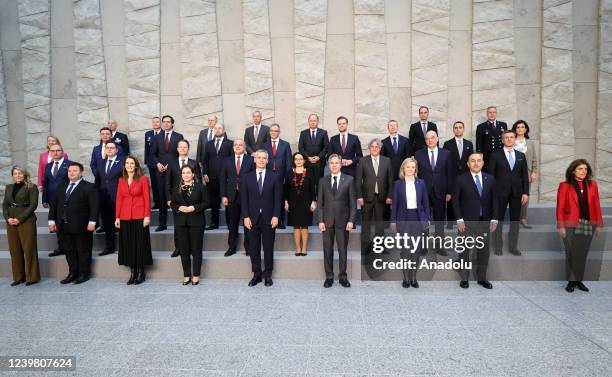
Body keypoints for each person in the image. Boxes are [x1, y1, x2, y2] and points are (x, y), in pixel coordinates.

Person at [556, 159, 604, 293]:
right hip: (570, 224)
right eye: (580, 169)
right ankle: (571, 282)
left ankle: (579, 281)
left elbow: (596, 205)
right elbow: (559, 207)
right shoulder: (564, 186)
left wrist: (599, 224)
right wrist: (561, 226)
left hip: (589, 223)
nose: (583, 171)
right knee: (571, 253)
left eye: (585, 169)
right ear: (573, 171)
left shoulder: (592, 185)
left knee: (582, 254)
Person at [453, 153, 498, 289]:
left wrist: (494, 219)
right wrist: (459, 219)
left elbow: (495, 200)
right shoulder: (460, 179)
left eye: (479, 160)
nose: (476, 163)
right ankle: (465, 278)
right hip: (465, 222)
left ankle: (482, 278)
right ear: (468, 164)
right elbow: (455, 202)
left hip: (484, 222)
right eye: (473, 161)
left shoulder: (490, 179)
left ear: (483, 163)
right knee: (464, 250)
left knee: (484, 251)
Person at [48, 162, 98, 285]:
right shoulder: (61, 186)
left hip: (82, 225)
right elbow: (54, 205)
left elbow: (94, 206)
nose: (72, 173)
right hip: (63, 225)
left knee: (83, 250)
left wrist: (92, 221)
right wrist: (51, 220)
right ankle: (73, 273)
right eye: (70, 171)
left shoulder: (89, 187)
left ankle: (83, 273)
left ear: (81, 173)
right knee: (69, 251)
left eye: (75, 171)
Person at [241, 149, 281, 287]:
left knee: (268, 248)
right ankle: (256, 274)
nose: (261, 160)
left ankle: (268, 275)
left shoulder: (274, 176)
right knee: (253, 248)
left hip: (269, 218)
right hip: (251, 219)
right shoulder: (247, 177)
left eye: (264, 158)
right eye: (259, 157)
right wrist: (245, 216)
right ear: (254, 159)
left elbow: (277, 199)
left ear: (267, 160)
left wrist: (276, 215)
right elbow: (244, 199)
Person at [487, 130, 529, 256]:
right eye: (506, 137)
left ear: (515, 139)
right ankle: (498, 247)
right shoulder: (495, 155)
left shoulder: (521, 156)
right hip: (499, 193)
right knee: (497, 219)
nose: (509, 139)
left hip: (517, 192)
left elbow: (524, 176)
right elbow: (490, 176)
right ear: (502, 140)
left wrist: (525, 193)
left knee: (515, 220)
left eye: (511, 137)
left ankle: (513, 247)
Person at [390, 158, 430, 288]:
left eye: (413, 167)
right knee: (406, 250)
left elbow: (426, 203)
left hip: (418, 219)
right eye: (408, 167)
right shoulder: (398, 184)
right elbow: (394, 205)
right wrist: (393, 221)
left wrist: (427, 219)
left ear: (415, 169)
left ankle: (414, 277)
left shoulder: (421, 183)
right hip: (403, 219)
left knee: (416, 250)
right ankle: (406, 278)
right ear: (403, 168)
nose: (410, 169)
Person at [318, 154, 357, 288]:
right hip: (327, 221)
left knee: (342, 250)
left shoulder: (349, 180)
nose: (334, 165)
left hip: (343, 221)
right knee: (327, 250)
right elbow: (320, 203)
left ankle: (342, 276)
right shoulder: (323, 181)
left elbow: (353, 203)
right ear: (329, 165)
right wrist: (320, 220)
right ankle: (329, 276)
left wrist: (351, 220)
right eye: (332, 163)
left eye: (337, 163)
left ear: (341, 165)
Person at [414, 130, 454, 256]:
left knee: (439, 220)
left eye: (432, 137)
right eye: (427, 138)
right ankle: (423, 246)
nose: (430, 140)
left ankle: (439, 246)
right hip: (423, 192)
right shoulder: (418, 154)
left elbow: (450, 173)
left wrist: (449, 191)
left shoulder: (446, 154)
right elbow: (416, 174)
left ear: (437, 139)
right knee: (423, 219)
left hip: (440, 191)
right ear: (425, 140)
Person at [115, 156, 153, 285]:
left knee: (140, 243)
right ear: (124, 165)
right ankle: (133, 272)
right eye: (127, 163)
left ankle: (141, 271)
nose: (129, 165)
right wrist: (117, 217)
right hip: (125, 216)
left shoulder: (143, 179)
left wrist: (147, 216)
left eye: (132, 163)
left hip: (139, 215)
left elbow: (147, 198)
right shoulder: (121, 180)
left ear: (136, 166)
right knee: (128, 244)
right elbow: (119, 199)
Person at [170, 165, 210, 285]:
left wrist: (194, 208)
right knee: (184, 250)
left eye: (188, 173)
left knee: (196, 249)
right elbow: (173, 203)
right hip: (181, 222)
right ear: (181, 175)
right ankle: (187, 274)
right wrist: (179, 207)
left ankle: (196, 275)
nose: (186, 175)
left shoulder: (200, 187)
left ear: (193, 174)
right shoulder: (177, 188)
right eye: (183, 173)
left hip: (197, 222)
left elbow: (207, 203)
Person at [3, 166, 40, 286]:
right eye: (15, 173)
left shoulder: (31, 187)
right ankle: (18, 277)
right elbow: (4, 205)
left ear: (25, 174)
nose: (18, 175)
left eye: (20, 173)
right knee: (14, 249)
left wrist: (19, 219)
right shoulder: (9, 187)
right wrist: (7, 218)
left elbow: (33, 205)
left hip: (26, 220)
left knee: (29, 248)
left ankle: (31, 277)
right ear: (12, 175)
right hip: (11, 221)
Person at [356, 139, 393, 255]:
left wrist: (389, 196)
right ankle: (365, 247)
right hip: (366, 198)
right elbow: (358, 181)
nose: (375, 148)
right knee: (366, 224)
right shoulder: (363, 161)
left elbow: (390, 180)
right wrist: (359, 196)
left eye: (377, 146)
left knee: (380, 224)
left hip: (381, 198)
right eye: (372, 146)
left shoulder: (387, 161)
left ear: (380, 148)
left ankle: (380, 246)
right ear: (369, 148)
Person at [165, 139, 201, 258]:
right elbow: (168, 183)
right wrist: (169, 199)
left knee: (191, 225)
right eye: (180, 147)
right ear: (177, 149)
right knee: (178, 225)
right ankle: (178, 247)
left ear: (188, 148)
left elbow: (199, 182)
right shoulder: (172, 163)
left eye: (185, 147)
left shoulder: (194, 163)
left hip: (192, 200)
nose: (182, 149)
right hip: (178, 200)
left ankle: (190, 248)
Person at [220, 139, 254, 257]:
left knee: (248, 223)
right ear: (233, 147)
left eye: (240, 145)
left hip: (247, 196)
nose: (238, 146)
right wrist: (223, 195)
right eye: (236, 145)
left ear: (244, 147)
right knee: (232, 224)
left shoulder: (250, 160)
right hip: (231, 197)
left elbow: (254, 178)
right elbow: (223, 179)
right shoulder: (227, 160)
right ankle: (231, 247)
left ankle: (249, 248)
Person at [151, 115, 183, 231]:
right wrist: (158, 164)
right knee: (161, 197)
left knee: (176, 196)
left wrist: (172, 164)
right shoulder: (157, 137)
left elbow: (181, 153)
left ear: (172, 124)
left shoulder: (178, 136)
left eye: (168, 122)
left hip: (174, 171)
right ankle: (162, 224)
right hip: (160, 172)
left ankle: (178, 223)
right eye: (164, 122)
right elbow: (153, 154)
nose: (166, 124)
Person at [284, 152, 317, 256]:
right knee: (296, 226)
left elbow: (313, 188)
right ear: (293, 161)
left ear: (304, 161)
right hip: (293, 203)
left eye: (300, 159)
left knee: (304, 226)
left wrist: (313, 201)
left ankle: (304, 248)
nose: (298, 161)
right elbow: (286, 189)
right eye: (296, 159)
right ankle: (298, 248)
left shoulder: (309, 172)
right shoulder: (289, 173)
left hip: (306, 202)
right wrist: (285, 202)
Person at [94, 142, 123, 256]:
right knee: (108, 225)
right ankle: (109, 247)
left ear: (117, 150)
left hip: (119, 198)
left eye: (112, 148)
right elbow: (98, 181)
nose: (109, 150)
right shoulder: (101, 163)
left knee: (122, 225)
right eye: (107, 148)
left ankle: (123, 248)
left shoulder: (122, 162)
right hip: (104, 199)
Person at [42, 144, 71, 257]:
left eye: (57, 150)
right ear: (49, 152)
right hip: (53, 201)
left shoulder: (69, 164)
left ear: (62, 152)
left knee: (66, 224)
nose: (55, 153)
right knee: (57, 224)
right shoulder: (48, 166)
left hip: (66, 199)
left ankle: (69, 247)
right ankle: (61, 247)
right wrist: (45, 198)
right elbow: (46, 183)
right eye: (52, 151)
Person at [203, 122, 233, 230]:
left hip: (226, 178)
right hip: (212, 178)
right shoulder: (209, 144)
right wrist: (205, 173)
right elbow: (205, 160)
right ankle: (214, 223)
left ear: (223, 130)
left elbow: (232, 161)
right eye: (216, 128)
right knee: (214, 202)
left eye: (219, 128)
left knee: (228, 202)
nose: (217, 130)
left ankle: (230, 224)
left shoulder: (230, 143)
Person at [443, 121, 473, 227]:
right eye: (456, 127)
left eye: (460, 127)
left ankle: (463, 220)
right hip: (452, 175)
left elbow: (471, 160)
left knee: (464, 198)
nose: (458, 129)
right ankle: (450, 222)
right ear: (453, 129)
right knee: (452, 198)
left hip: (465, 175)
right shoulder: (447, 144)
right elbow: (445, 160)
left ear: (463, 129)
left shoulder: (469, 144)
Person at [262, 123, 292, 229]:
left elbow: (289, 161)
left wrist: (287, 176)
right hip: (268, 175)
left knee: (280, 198)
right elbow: (262, 161)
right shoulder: (264, 145)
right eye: (272, 131)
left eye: (276, 131)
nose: (274, 132)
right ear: (269, 132)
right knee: (269, 198)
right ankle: (269, 219)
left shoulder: (285, 144)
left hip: (281, 176)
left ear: (279, 132)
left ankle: (280, 220)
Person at [512, 120, 538, 229]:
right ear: (515, 129)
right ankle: (515, 219)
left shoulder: (530, 143)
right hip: (513, 173)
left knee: (525, 196)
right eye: (518, 127)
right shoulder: (511, 141)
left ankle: (523, 218)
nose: (520, 129)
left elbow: (534, 159)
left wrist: (534, 172)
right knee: (514, 196)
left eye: (522, 127)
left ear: (526, 129)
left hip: (526, 173)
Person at [298, 113, 329, 188]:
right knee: (308, 183)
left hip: (319, 163)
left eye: (314, 120)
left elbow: (326, 147)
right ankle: (309, 199)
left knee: (319, 183)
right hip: (307, 163)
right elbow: (301, 148)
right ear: (308, 122)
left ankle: (319, 199)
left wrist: (319, 157)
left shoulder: (323, 133)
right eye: (311, 120)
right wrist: (308, 157)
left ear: (318, 121)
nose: (312, 122)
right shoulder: (303, 133)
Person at [144, 116, 163, 209]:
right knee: (154, 184)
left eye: (157, 122)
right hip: (152, 164)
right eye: (154, 122)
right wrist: (147, 162)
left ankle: (164, 203)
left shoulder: (164, 133)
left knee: (162, 184)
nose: (155, 124)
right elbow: (147, 149)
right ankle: (156, 203)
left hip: (162, 164)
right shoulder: (148, 134)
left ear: (161, 123)